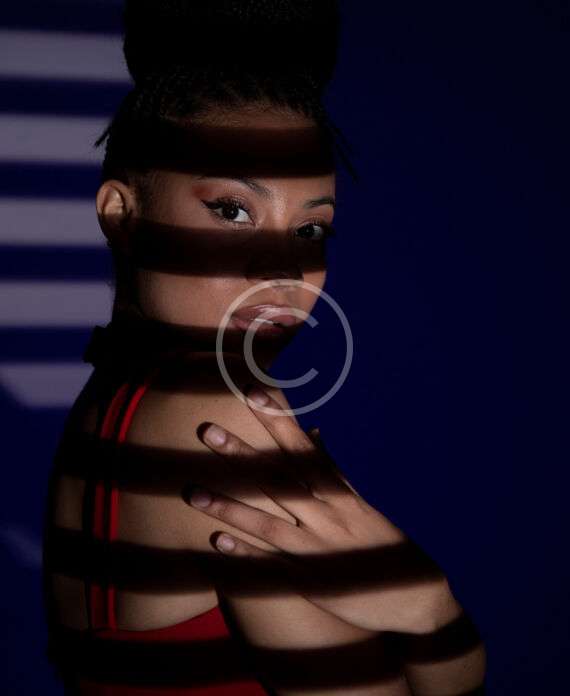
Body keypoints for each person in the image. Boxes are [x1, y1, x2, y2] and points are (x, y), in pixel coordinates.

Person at [42, 1, 486, 694]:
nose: (283, 271)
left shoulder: (116, 404)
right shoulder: (215, 418)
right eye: (232, 211)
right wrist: (431, 609)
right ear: (122, 215)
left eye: (311, 230)